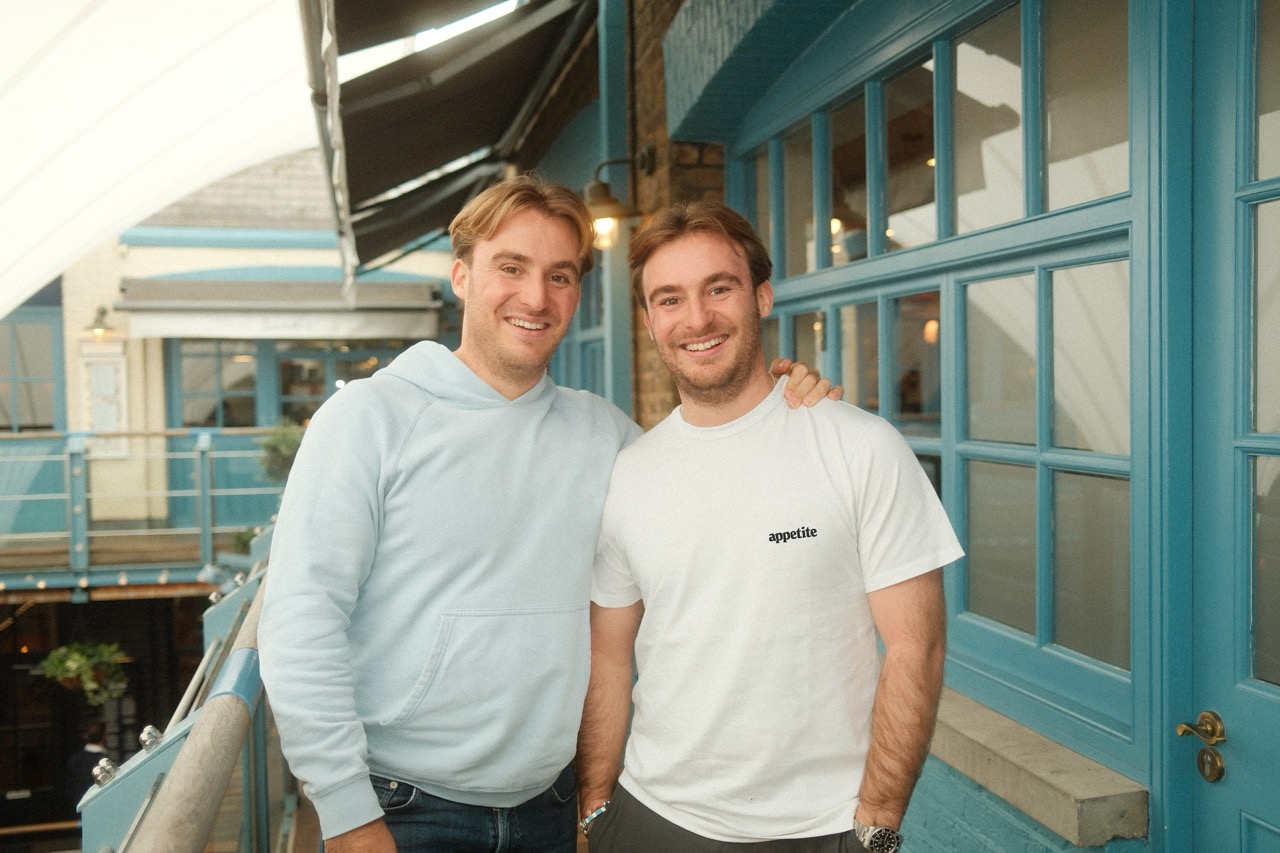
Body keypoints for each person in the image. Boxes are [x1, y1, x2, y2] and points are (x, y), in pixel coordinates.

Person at [257, 176, 836, 853]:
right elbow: (300, 621)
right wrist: (348, 814)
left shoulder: (604, 436)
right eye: (512, 268)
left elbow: (715, 494)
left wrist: (785, 410)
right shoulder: (369, 418)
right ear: (461, 276)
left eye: (560, 276)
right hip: (402, 808)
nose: (536, 297)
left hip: (554, 809)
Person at [576, 201, 964, 853]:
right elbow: (608, 655)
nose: (696, 318)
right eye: (669, 299)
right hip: (652, 818)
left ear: (761, 296)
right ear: (648, 321)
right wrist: (595, 810)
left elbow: (916, 647)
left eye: (718, 288)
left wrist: (874, 823)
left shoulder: (860, 446)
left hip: (821, 828)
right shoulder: (630, 473)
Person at [63, 718, 107, 815]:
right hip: (101, 811)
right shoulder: (105, 762)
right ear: (104, 736)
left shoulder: (74, 760)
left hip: (78, 812)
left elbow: (69, 791)